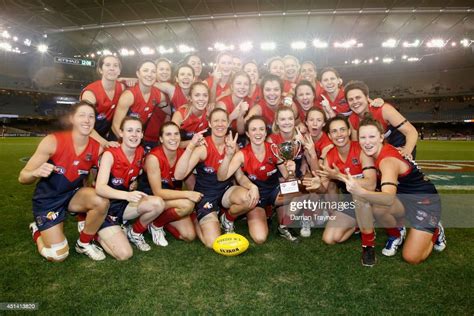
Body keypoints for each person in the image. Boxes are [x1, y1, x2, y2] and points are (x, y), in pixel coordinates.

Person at [342, 116, 446, 265]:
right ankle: (397, 233)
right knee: (377, 207)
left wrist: (360, 192)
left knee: (412, 257)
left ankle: (435, 231)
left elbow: (388, 198)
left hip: (425, 202)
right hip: (404, 198)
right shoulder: (377, 151)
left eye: (372, 136)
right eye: (363, 137)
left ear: (381, 137)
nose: (367, 141)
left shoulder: (387, 161)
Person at [19, 101, 109, 262]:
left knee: (101, 200)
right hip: (48, 200)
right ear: (72, 119)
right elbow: (23, 177)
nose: (87, 120)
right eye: (82, 115)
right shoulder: (53, 141)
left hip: (72, 196)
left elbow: (94, 178)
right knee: (58, 255)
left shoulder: (98, 148)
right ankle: (37, 230)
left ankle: (84, 243)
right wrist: (35, 172)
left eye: (91, 116)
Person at [174, 108, 255, 248]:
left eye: (223, 120)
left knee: (250, 198)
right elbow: (178, 175)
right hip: (206, 196)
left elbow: (239, 176)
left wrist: (252, 187)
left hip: (226, 191)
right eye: (216, 121)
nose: (220, 124)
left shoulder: (232, 146)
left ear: (228, 123)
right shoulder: (203, 148)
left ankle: (227, 218)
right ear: (210, 124)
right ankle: (195, 218)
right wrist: (191, 145)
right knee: (212, 244)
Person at [217, 116, 296, 243]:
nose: (258, 133)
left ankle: (283, 224)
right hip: (255, 197)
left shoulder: (274, 149)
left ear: (265, 132)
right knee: (260, 238)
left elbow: (287, 177)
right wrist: (228, 156)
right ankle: (227, 217)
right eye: (254, 129)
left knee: (298, 191)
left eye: (261, 129)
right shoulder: (242, 154)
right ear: (248, 133)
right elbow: (221, 177)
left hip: (273, 192)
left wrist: (291, 171)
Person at [95, 117, 165, 255]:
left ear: (142, 134)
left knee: (158, 203)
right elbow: (100, 188)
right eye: (130, 130)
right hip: (105, 210)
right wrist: (127, 195)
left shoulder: (140, 152)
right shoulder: (110, 154)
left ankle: (134, 232)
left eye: (138, 131)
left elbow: (134, 174)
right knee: (125, 254)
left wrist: (134, 183)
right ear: (121, 133)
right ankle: (96, 233)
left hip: (124, 207)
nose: (134, 134)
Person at [315, 115, 378, 266]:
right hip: (352, 201)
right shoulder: (330, 156)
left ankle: (368, 245)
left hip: (374, 198)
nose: (339, 134)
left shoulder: (361, 149)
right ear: (329, 136)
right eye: (334, 131)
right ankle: (360, 223)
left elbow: (370, 183)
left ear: (349, 131)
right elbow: (324, 187)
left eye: (342, 129)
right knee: (330, 238)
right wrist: (317, 185)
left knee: (360, 196)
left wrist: (339, 176)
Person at [140, 122, 203, 246]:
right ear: (161, 139)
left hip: (170, 200)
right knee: (186, 204)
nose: (173, 138)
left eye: (176, 134)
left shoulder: (182, 155)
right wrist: (188, 194)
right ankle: (155, 225)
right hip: (151, 201)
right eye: (168, 134)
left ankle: (163, 220)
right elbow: (158, 192)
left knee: (189, 235)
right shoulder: (153, 158)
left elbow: (190, 181)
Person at [345, 80, 418, 160]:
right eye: (351, 99)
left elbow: (411, 131)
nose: (355, 102)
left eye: (358, 97)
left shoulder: (384, 110)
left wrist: (407, 150)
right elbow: (358, 147)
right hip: (380, 151)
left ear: (367, 97)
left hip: (400, 147)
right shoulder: (351, 120)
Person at [112, 60, 170, 148]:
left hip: (137, 140)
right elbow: (115, 126)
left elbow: (171, 111)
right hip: (119, 140)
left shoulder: (159, 95)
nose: (150, 74)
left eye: (153, 71)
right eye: (145, 70)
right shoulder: (129, 96)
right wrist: (128, 145)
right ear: (138, 74)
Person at [80, 55, 124, 147]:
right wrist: (105, 143)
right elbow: (83, 123)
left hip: (104, 134)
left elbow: (142, 81)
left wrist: (127, 79)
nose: (112, 68)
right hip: (85, 135)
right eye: (107, 65)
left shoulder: (122, 87)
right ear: (100, 69)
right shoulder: (90, 94)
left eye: (115, 65)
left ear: (119, 71)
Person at [171, 82, 209, 148]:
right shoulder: (180, 115)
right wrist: (193, 143)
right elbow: (171, 142)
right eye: (197, 95)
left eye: (205, 95)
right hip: (180, 152)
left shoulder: (209, 113)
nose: (201, 99)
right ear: (190, 98)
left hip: (198, 152)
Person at [216, 71, 252, 140]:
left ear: (249, 87)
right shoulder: (222, 104)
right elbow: (217, 129)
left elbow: (241, 132)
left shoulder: (250, 103)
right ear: (232, 86)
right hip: (222, 137)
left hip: (240, 138)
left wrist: (240, 115)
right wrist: (232, 116)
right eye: (238, 83)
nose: (242, 87)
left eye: (246, 84)